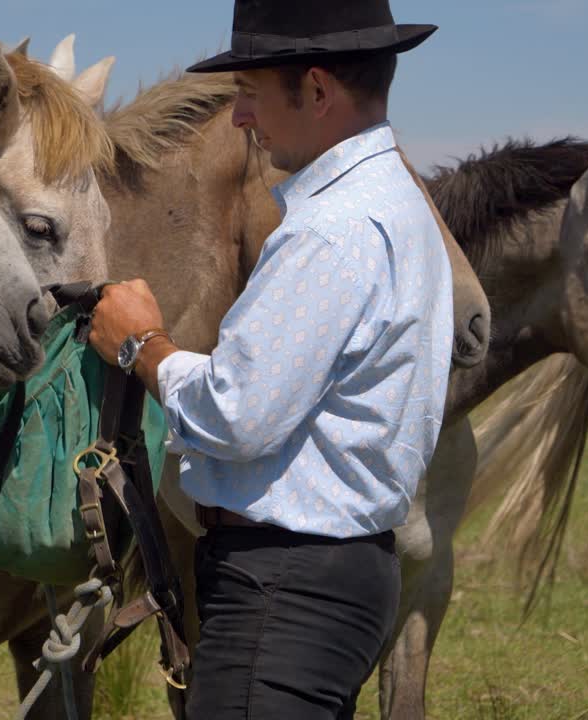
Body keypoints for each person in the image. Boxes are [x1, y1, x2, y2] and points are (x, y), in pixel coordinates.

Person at [88, 1, 453, 716]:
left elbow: (237, 415)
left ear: (316, 90)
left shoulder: (328, 231)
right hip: (336, 576)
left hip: (284, 592)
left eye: (250, 92)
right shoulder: (394, 203)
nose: (240, 117)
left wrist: (141, 344)